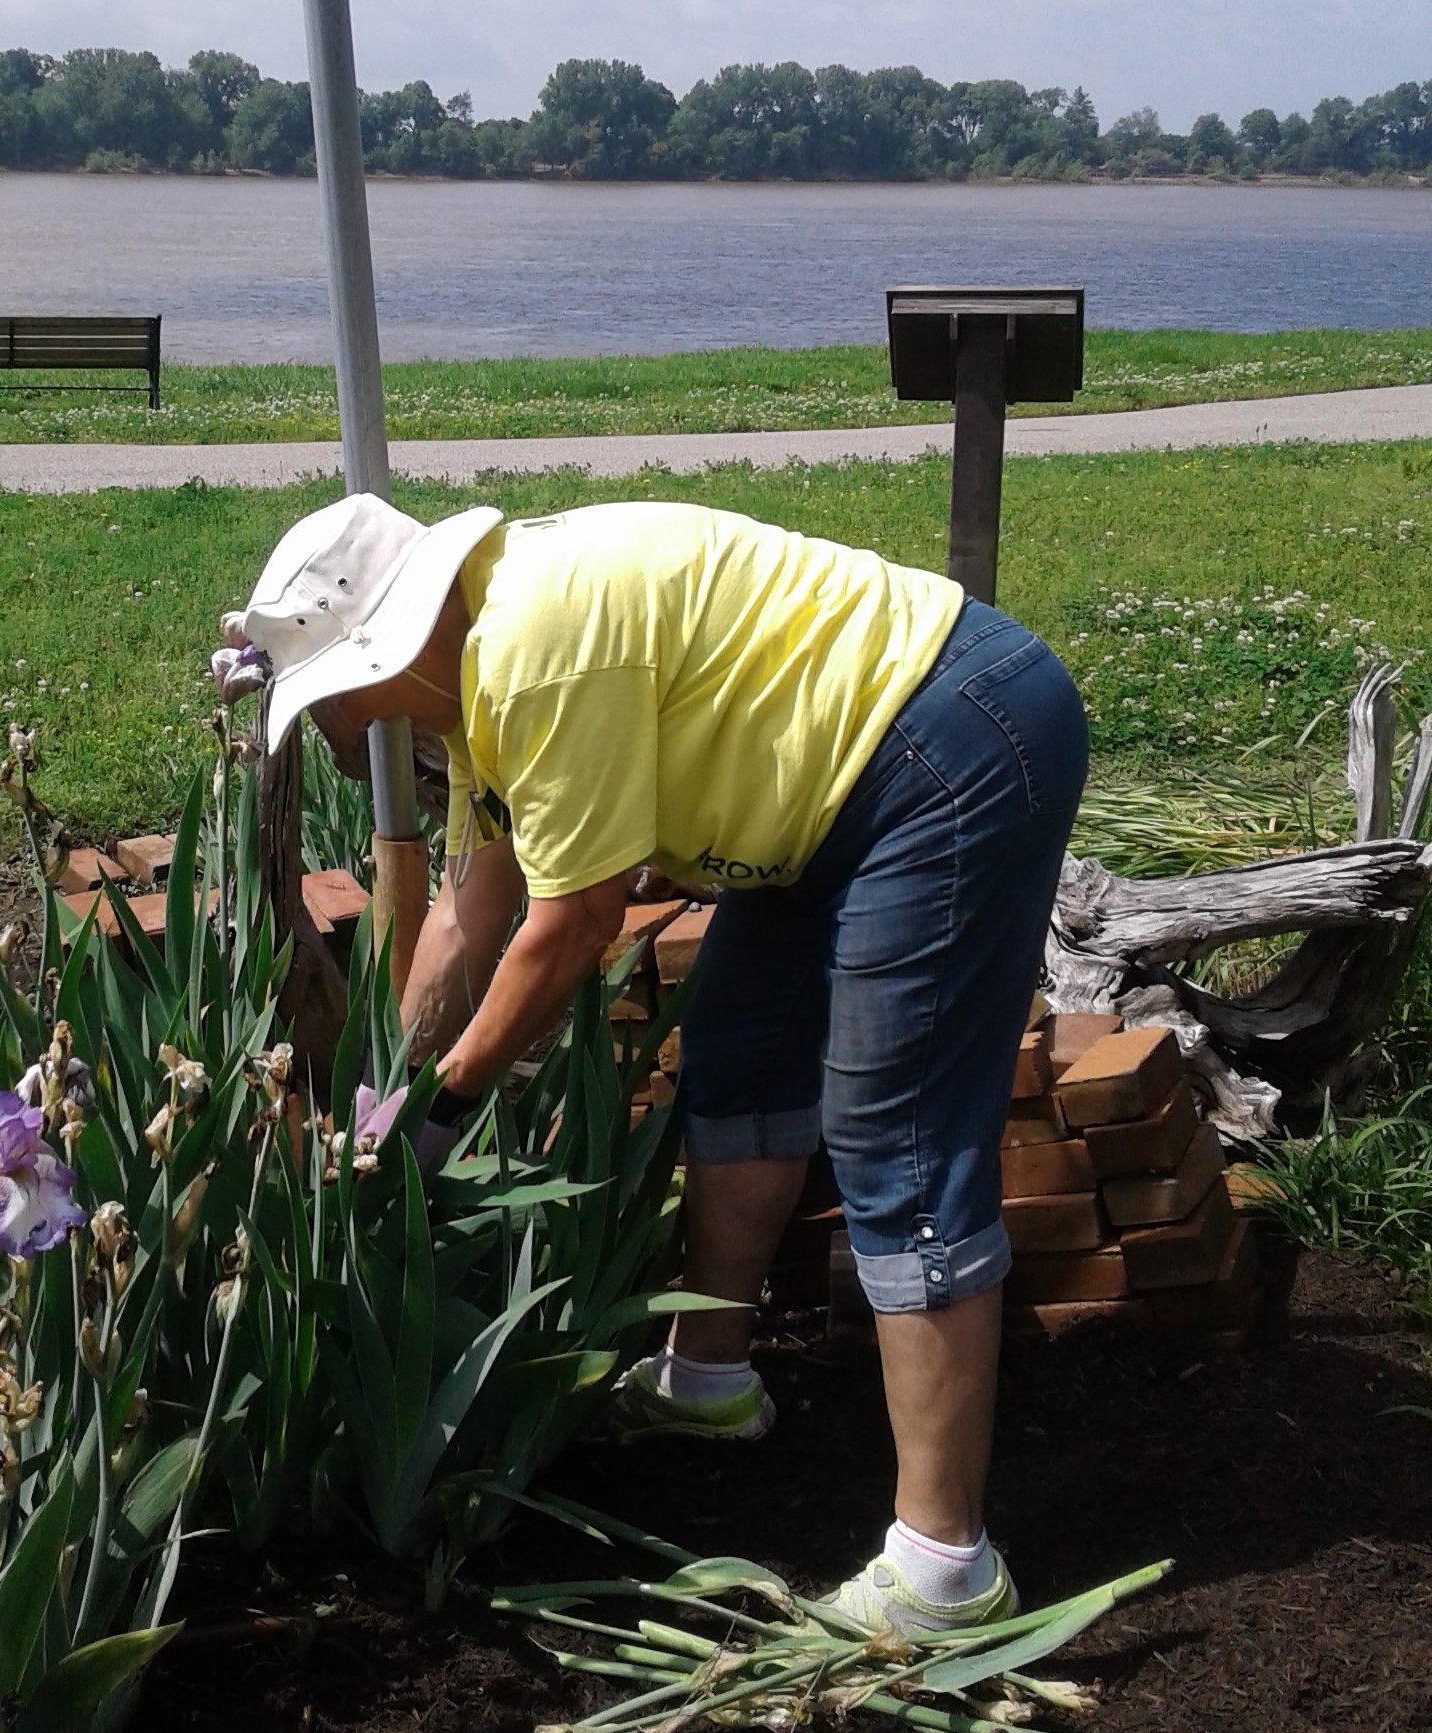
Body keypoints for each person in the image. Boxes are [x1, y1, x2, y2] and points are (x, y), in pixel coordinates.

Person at [217, 489, 1088, 1637]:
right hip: (824, 789)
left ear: (394, 644)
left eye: (337, 694)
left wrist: (448, 1100)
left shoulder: (533, 650)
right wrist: (391, 1085)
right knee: (737, 1054)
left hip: (943, 745)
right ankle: (706, 1381)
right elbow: (472, 909)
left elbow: (572, 924)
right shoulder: (480, 675)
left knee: (899, 1138)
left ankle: (943, 1569)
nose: (344, 724)